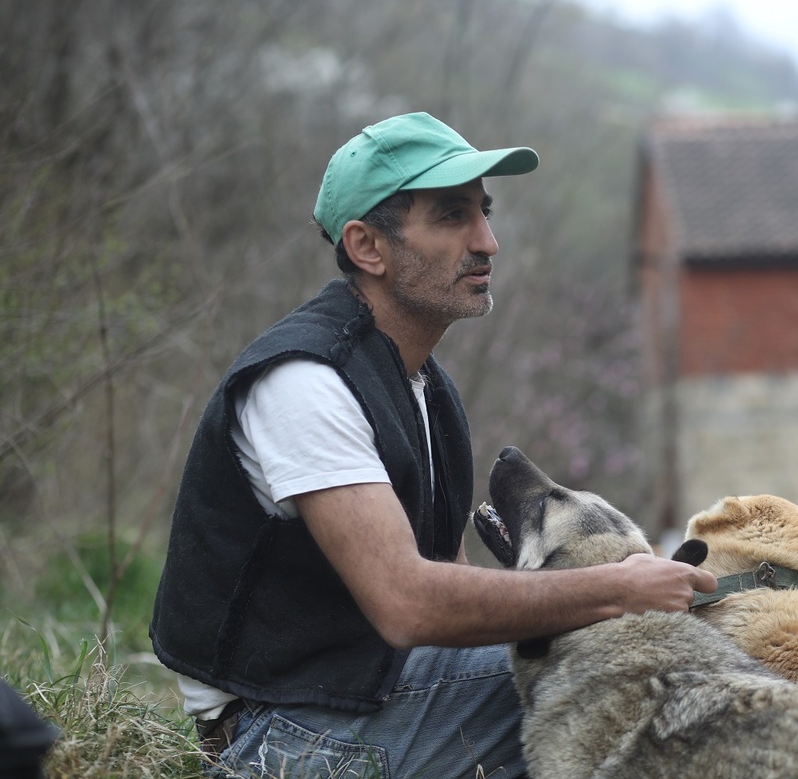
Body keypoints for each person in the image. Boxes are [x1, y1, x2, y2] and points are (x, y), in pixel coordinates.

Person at [149, 112, 717, 779]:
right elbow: (410, 604)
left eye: (484, 212)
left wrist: (609, 613)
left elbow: (451, 591)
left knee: (636, 657)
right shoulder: (306, 383)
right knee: (634, 688)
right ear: (368, 247)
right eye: (452, 217)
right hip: (275, 732)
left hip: (371, 691)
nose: (488, 242)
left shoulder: (425, 387)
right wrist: (616, 593)